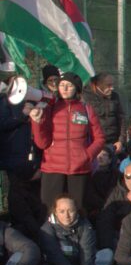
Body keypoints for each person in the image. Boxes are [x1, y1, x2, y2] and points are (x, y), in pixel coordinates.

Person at [30, 72, 106, 209]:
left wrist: (87, 155)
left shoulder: (86, 109)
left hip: (79, 169)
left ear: (77, 89)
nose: (64, 89)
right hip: (52, 168)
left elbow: (100, 138)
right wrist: (36, 122)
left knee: (78, 208)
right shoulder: (49, 108)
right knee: (49, 208)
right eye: (62, 85)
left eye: (69, 86)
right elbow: (42, 143)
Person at [35, 194, 112, 265]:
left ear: (76, 210)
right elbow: (56, 258)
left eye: (70, 211)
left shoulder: (85, 225)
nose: (66, 215)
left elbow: (87, 255)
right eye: (62, 212)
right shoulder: (47, 229)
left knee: (106, 254)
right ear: (55, 212)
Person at [97, 161, 131, 250]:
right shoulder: (116, 192)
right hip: (120, 237)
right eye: (128, 177)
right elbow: (105, 219)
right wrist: (108, 247)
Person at [82, 72, 125, 156]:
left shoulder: (115, 97)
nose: (112, 88)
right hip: (94, 144)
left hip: (113, 144)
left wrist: (121, 141)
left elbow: (121, 119)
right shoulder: (85, 97)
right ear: (98, 84)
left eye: (112, 85)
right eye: (108, 85)